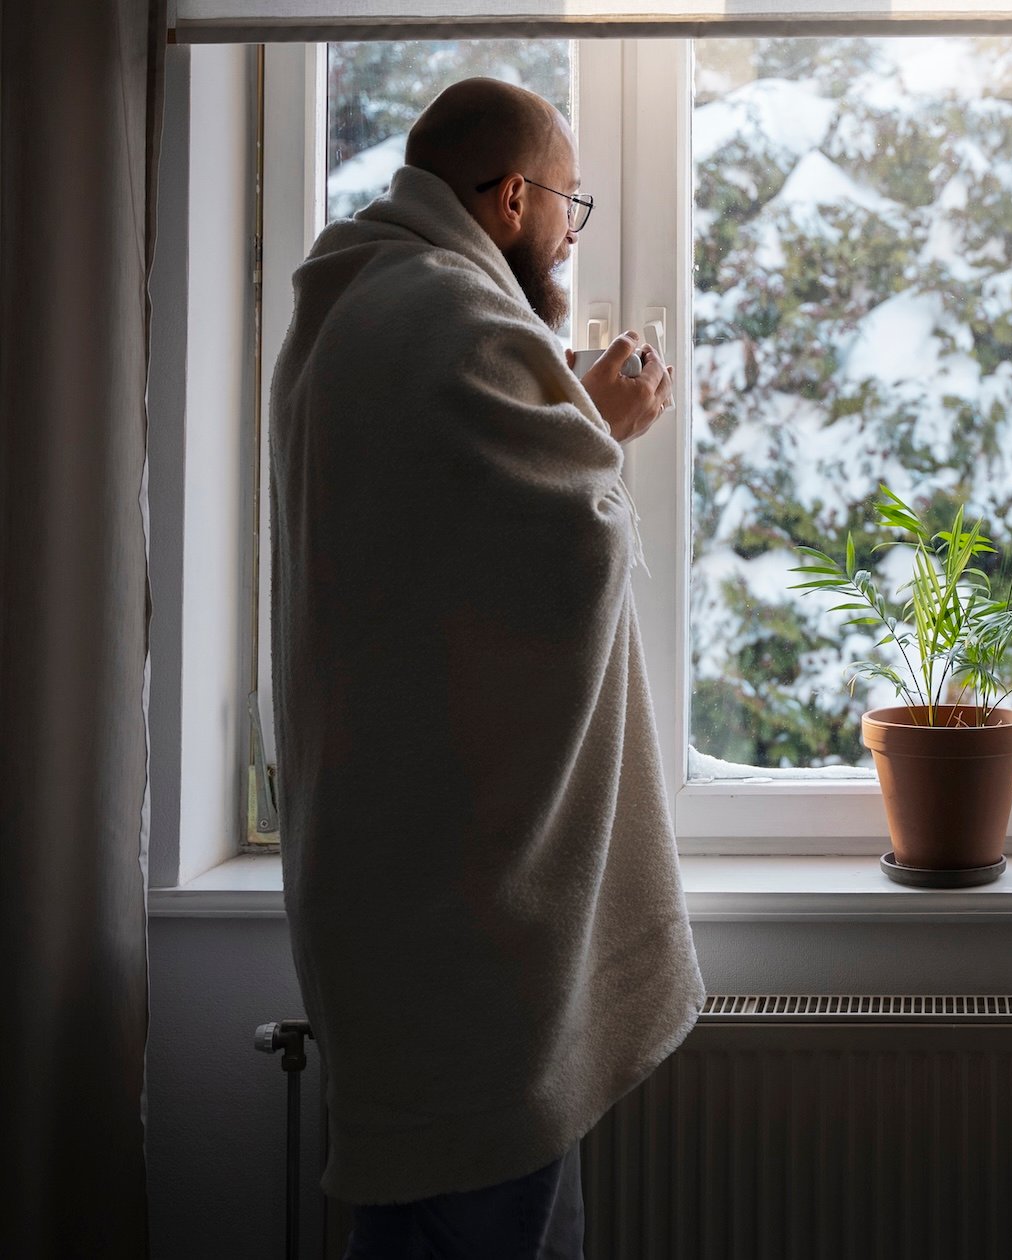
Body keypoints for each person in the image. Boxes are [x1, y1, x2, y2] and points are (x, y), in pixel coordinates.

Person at [268, 78, 706, 1258]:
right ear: (513, 198)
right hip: (463, 912)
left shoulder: (355, 294)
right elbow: (563, 560)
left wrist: (558, 410)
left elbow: (437, 557)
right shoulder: (452, 319)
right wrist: (599, 424)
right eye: (571, 205)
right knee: (482, 1215)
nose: (571, 236)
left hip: (379, 860)